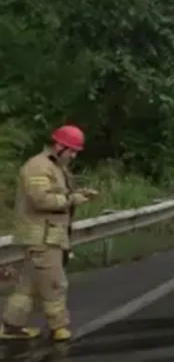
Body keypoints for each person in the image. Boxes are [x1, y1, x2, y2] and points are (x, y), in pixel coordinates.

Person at [0, 125, 98, 342]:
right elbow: (41, 200)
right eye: (71, 151)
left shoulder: (55, 167)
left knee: (29, 285)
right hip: (41, 238)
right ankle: (59, 328)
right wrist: (72, 200)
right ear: (59, 146)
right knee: (55, 283)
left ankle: (11, 326)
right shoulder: (38, 166)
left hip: (48, 235)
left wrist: (76, 194)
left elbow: (56, 194)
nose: (73, 156)